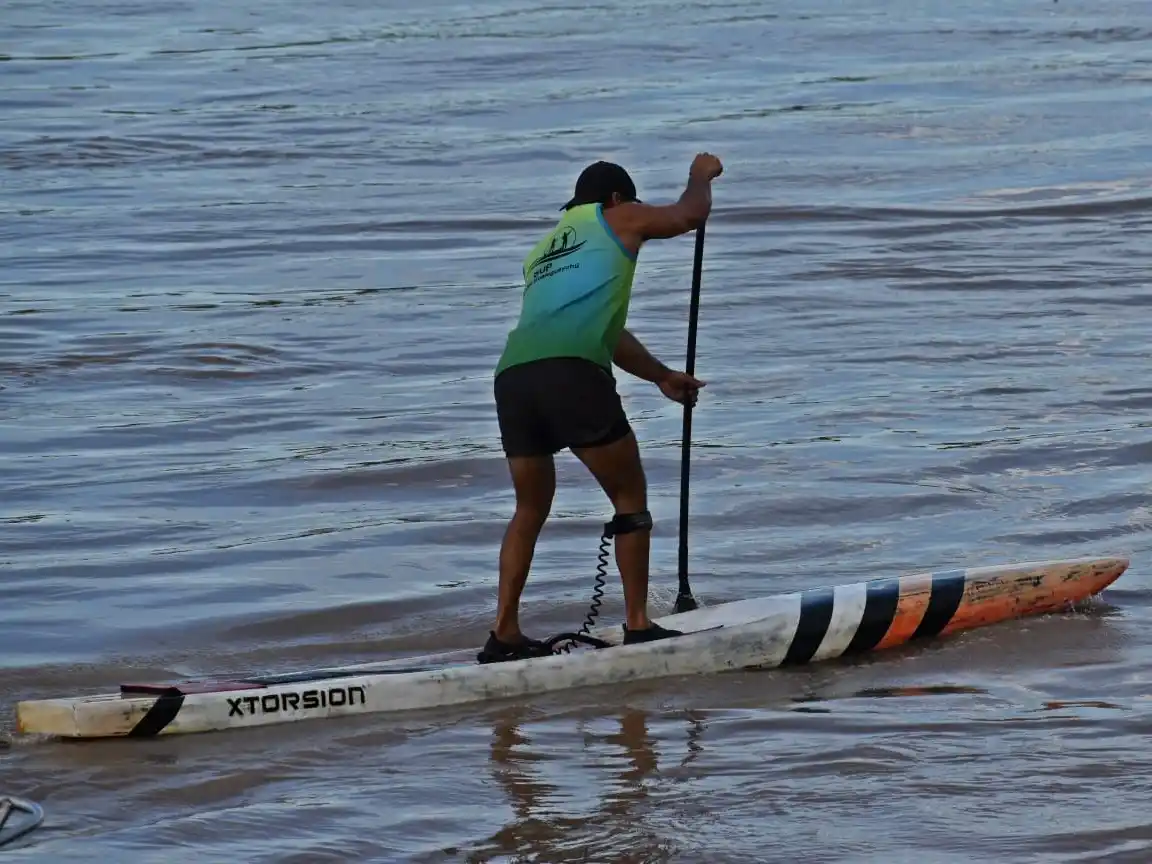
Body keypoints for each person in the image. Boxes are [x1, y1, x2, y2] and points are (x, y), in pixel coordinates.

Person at [479, 152, 724, 664]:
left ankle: (504, 633)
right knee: (629, 496)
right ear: (616, 199)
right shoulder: (616, 215)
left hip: (513, 378)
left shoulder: (544, 251)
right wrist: (700, 174)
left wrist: (661, 376)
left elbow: (604, 332)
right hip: (570, 373)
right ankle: (638, 624)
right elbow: (689, 215)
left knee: (529, 508)